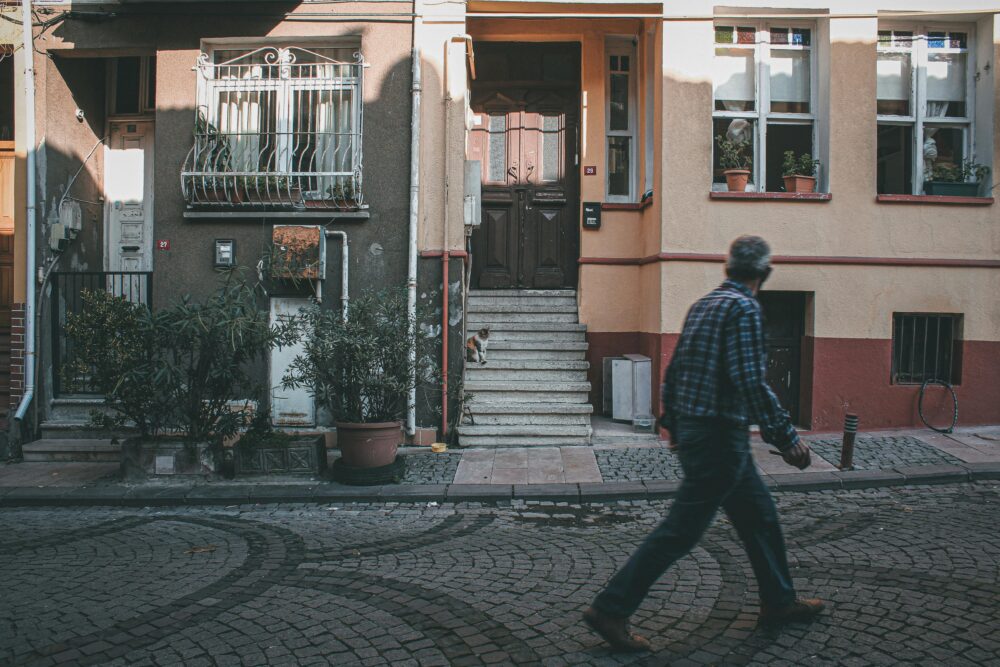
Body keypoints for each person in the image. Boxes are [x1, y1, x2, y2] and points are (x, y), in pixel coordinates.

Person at [583, 235, 824, 652]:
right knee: (681, 529)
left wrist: (674, 424)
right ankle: (611, 608)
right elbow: (750, 381)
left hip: (702, 433)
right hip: (720, 437)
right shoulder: (744, 308)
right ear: (763, 274)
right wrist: (787, 439)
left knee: (760, 516)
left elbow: (675, 370)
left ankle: (779, 600)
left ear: (729, 269)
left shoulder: (704, 305)